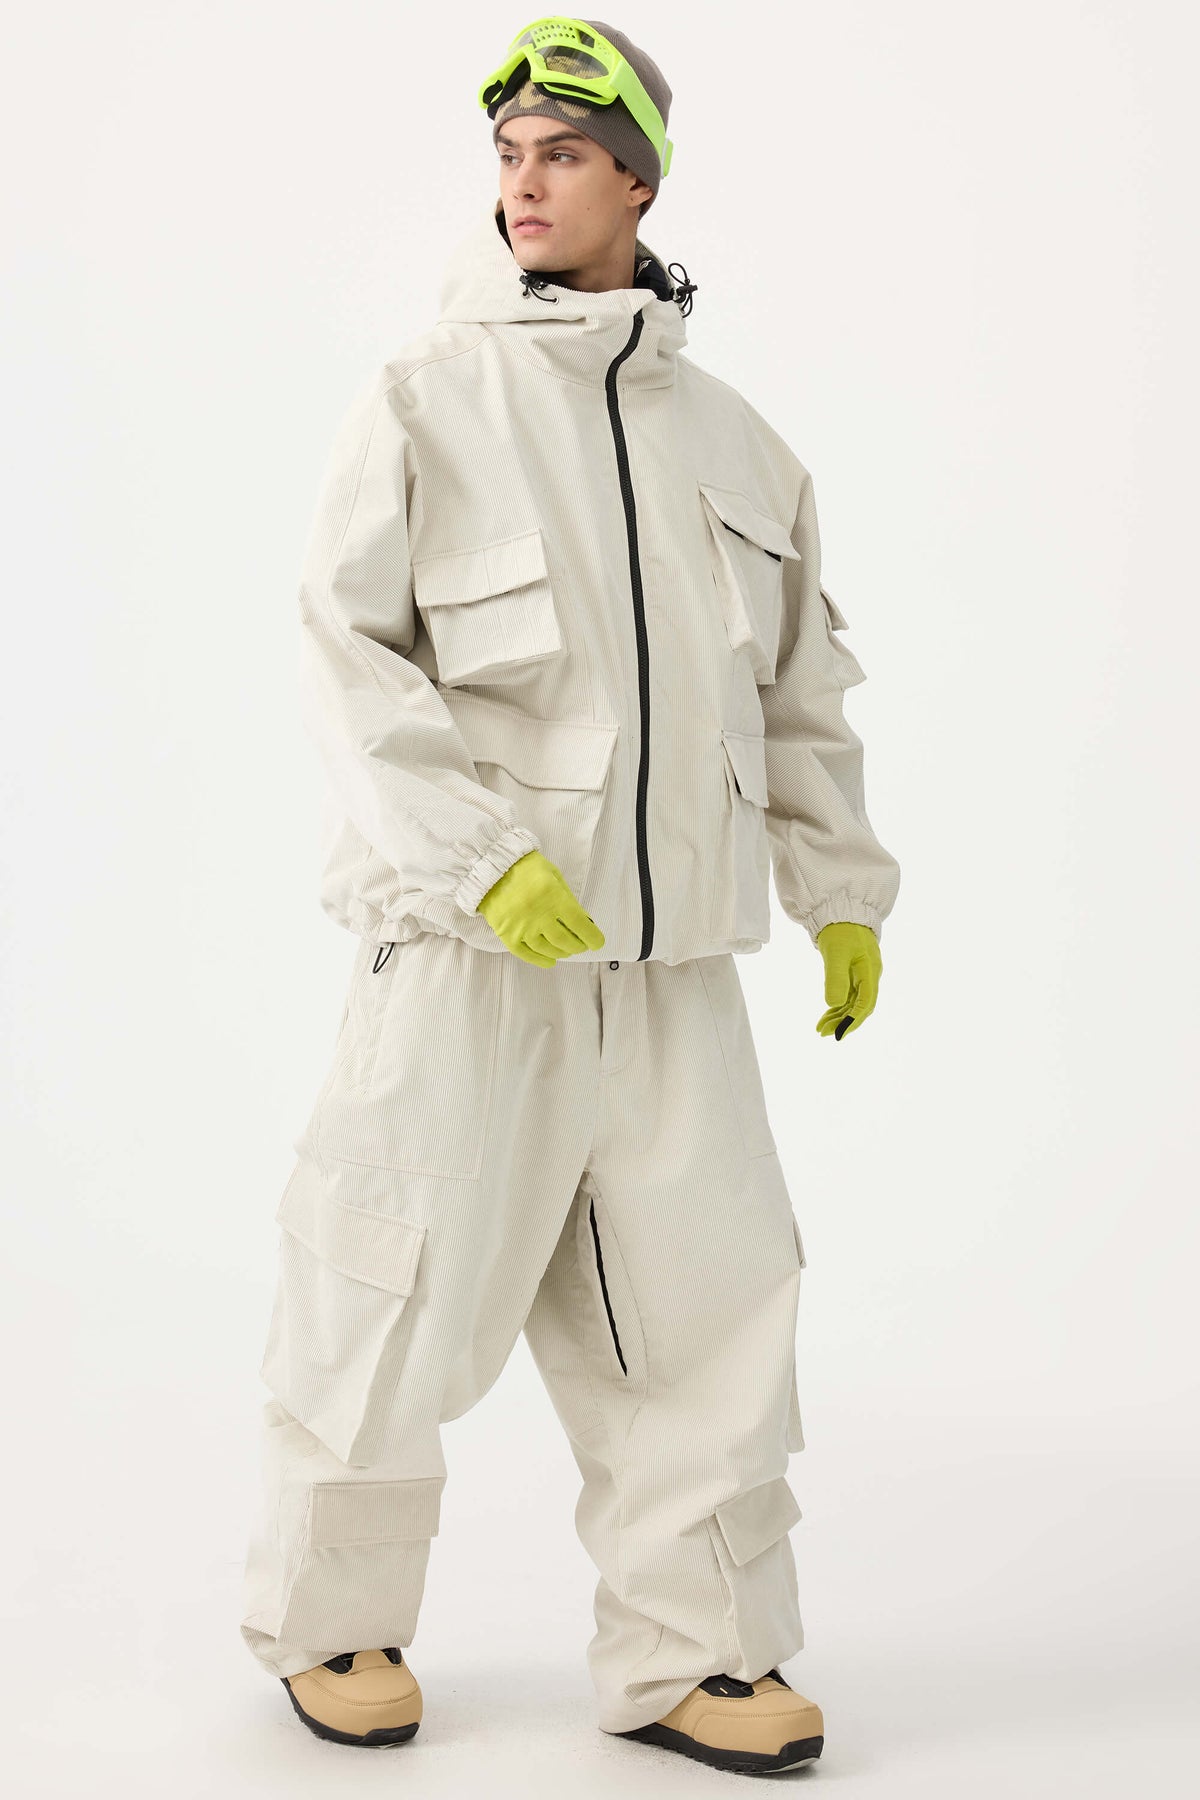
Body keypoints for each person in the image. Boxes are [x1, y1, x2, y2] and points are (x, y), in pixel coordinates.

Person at [238, 16, 901, 1776]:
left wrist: (841, 890)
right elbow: (347, 657)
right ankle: (331, 1624)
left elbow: (802, 694)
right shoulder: (425, 397)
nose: (526, 182)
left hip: (674, 974)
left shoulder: (738, 447)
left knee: (710, 1317)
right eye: (509, 154)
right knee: (390, 1295)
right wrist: (480, 861)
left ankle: (697, 1656)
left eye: (566, 154)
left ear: (639, 184)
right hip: (471, 961)